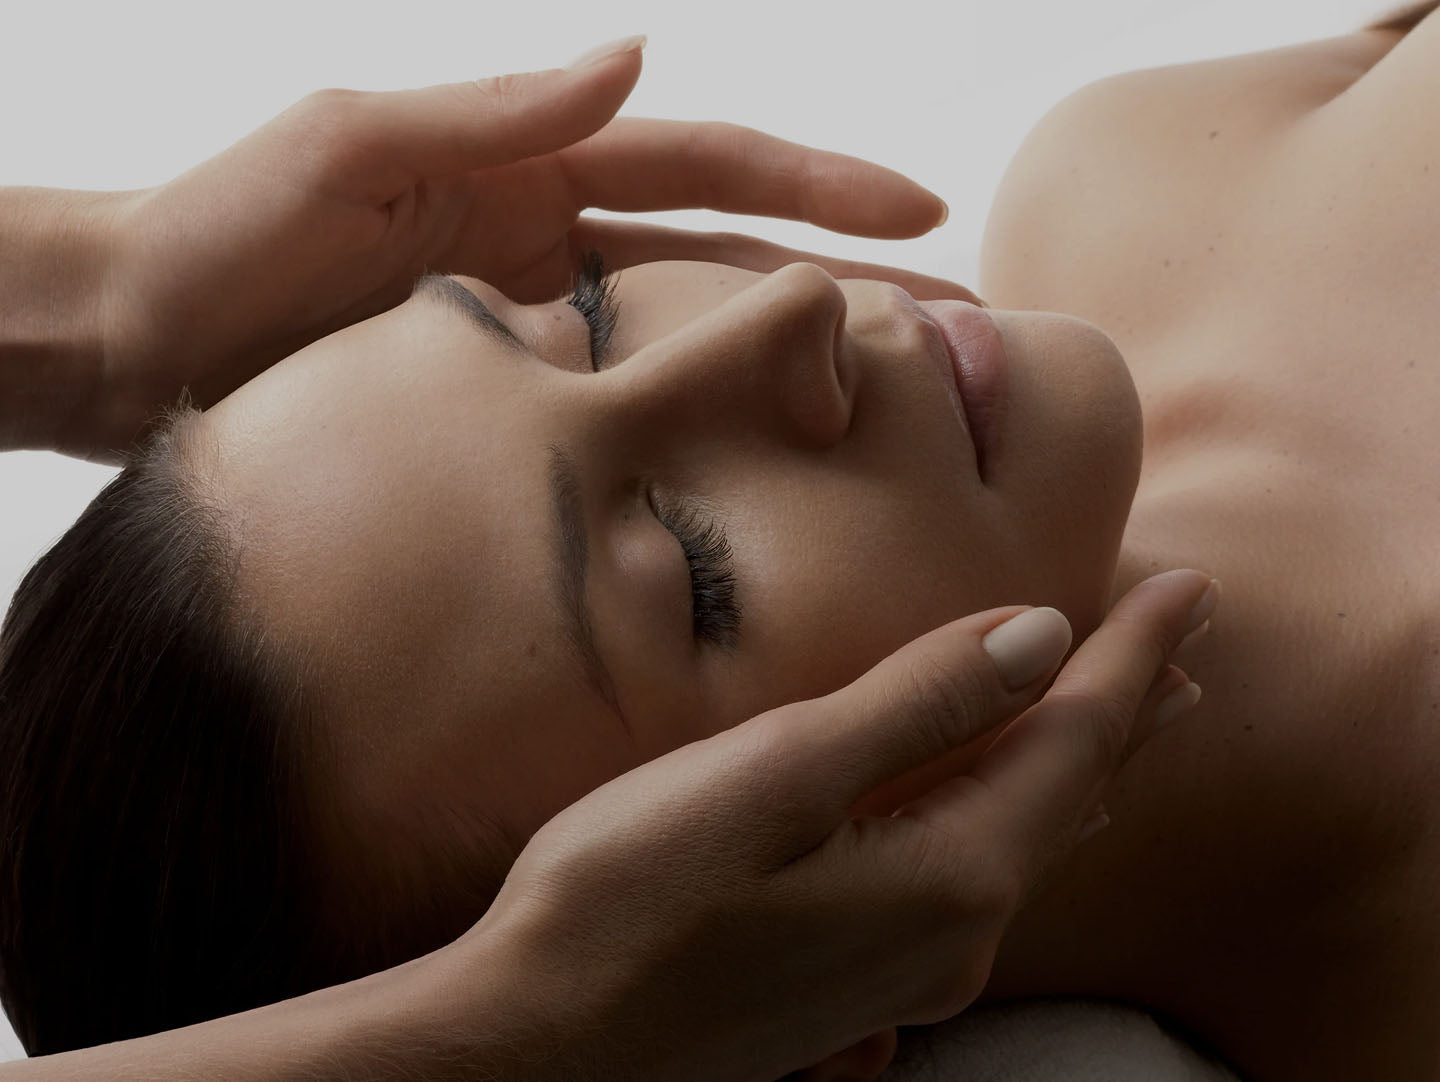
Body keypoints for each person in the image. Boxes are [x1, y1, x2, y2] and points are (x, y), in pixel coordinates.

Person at [0, 35, 1208, 1082]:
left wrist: (101, 303)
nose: (786, 308)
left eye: (587, 315)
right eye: (693, 570)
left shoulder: (1161, 153)